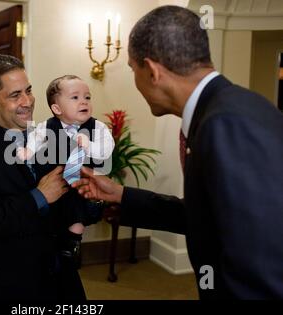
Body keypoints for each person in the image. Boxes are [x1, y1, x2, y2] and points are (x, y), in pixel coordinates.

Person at [72, 5, 283, 299]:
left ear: (153, 71)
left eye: (134, 70)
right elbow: (208, 216)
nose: (136, 83)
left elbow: (261, 262)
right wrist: (121, 195)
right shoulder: (222, 110)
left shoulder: (227, 123)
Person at [0, 54, 86, 301]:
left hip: (61, 277)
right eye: (15, 95)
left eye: (29, 90)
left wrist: (90, 196)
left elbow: (69, 205)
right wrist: (39, 197)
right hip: (10, 284)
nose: (28, 101)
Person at [17, 75, 114, 259]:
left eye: (87, 97)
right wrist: (28, 151)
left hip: (81, 182)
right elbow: (35, 138)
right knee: (50, 208)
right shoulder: (47, 126)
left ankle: (73, 240)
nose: (83, 101)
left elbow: (106, 149)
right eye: (75, 97)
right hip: (55, 180)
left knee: (77, 208)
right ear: (57, 108)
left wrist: (89, 146)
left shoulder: (98, 127)